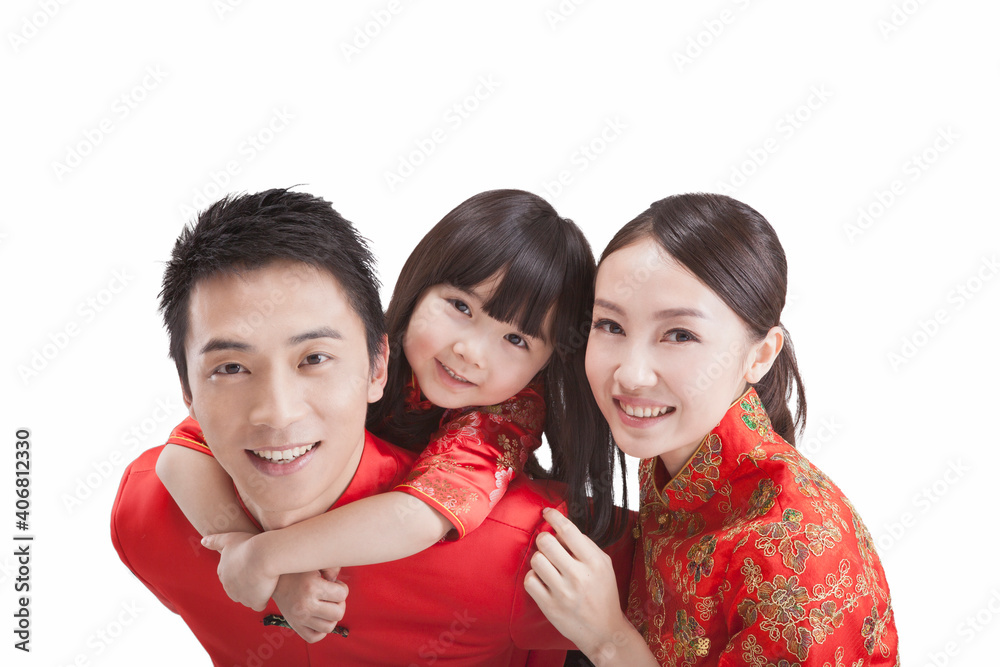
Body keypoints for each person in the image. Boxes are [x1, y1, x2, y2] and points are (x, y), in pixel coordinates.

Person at [110, 188, 631, 665]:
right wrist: (271, 568)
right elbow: (179, 452)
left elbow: (418, 517)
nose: (469, 352)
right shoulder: (347, 341)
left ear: (544, 364)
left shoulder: (504, 418)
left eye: (516, 340)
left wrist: (265, 556)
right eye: (459, 307)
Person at [525, 193, 899, 665]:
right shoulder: (670, 456)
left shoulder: (798, 547)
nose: (631, 374)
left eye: (680, 335)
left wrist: (608, 639)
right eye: (610, 325)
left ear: (759, 355)